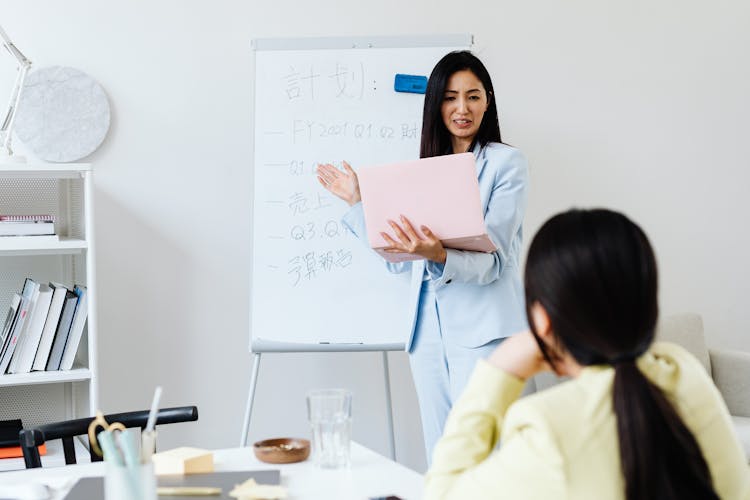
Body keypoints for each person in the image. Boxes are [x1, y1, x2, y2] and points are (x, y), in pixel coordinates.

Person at [425, 208, 750, 500]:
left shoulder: (546, 429)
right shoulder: (683, 370)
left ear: (543, 319)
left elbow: (441, 494)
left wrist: (500, 369)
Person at [316, 50, 528, 463]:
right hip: (426, 334)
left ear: (488, 100)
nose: (462, 108)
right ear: (436, 104)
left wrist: (440, 254)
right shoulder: (422, 171)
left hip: (482, 334)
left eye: (473, 96)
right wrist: (360, 203)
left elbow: (494, 262)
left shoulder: (507, 164)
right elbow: (397, 260)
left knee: (483, 456)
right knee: (442, 456)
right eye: (450, 97)